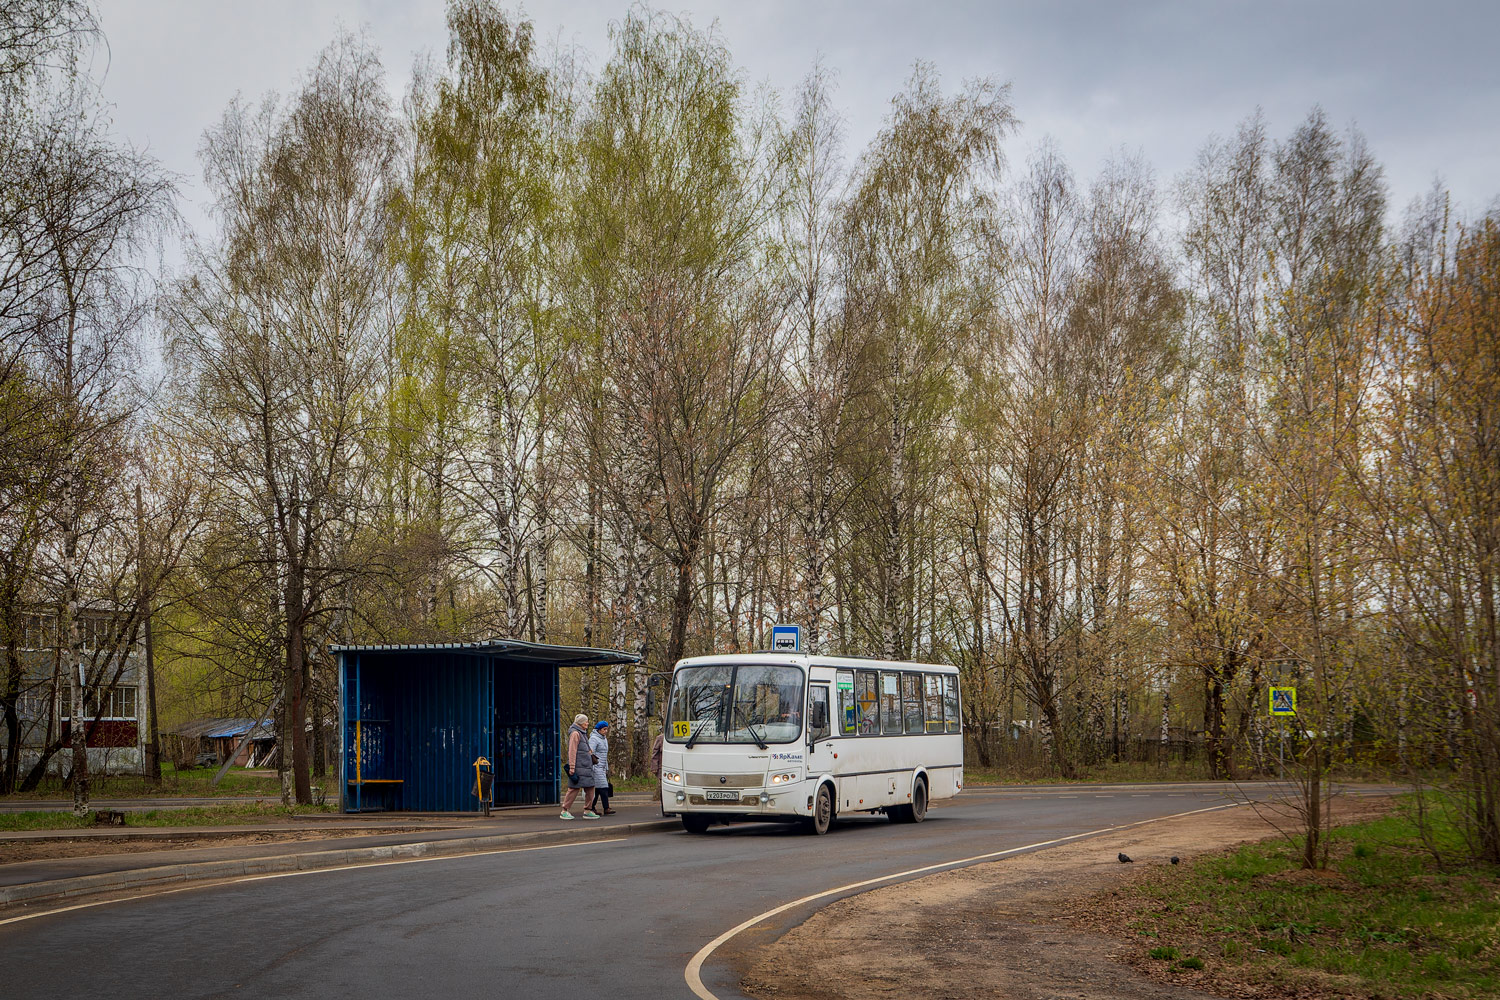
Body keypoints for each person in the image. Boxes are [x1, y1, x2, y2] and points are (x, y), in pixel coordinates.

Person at [561, 713, 599, 820]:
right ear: (581, 723)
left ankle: (588, 810)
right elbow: (572, 751)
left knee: (590, 788)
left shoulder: (583, 733)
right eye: (586, 721)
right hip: (578, 767)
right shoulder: (575, 734)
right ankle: (565, 810)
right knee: (573, 789)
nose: (587, 723)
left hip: (586, 767)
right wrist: (572, 767)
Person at [589, 721, 615, 815]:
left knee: (599, 788)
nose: (606, 731)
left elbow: (604, 754)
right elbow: (591, 752)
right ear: (599, 730)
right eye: (604, 729)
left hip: (602, 766)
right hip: (596, 766)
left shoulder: (604, 739)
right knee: (602, 787)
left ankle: (593, 807)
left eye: (606, 729)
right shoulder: (594, 739)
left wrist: (606, 767)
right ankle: (605, 807)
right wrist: (594, 764)